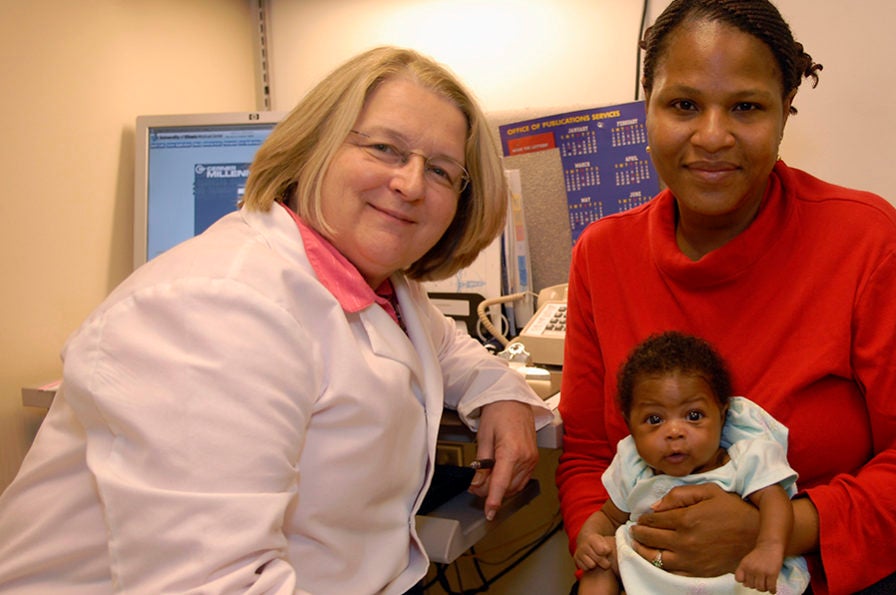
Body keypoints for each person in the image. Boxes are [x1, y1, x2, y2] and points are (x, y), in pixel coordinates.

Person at [0, 46, 553, 594]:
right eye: (385, 148)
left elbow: (450, 350)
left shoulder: (377, 282)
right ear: (314, 147)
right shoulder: (214, 310)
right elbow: (211, 584)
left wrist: (501, 395)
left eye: (439, 170)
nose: (410, 184)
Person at [556, 1, 896, 593]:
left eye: (745, 106)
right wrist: (603, 559)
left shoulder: (870, 241)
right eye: (684, 104)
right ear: (647, 109)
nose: (712, 135)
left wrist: (772, 532)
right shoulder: (602, 253)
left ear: (785, 115)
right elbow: (589, 452)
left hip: (882, 565)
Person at [573, 331, 809, 595]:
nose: (674, 431)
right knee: (601, 561)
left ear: (722, 415)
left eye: (693, 415)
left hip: (730, 578)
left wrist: (768, 547)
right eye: (654, 419)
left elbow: (775, 500)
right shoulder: (633, 465)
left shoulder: (744, 459)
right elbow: (607, 516)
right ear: (630, 425)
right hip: (652, 569)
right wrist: (589, 539)